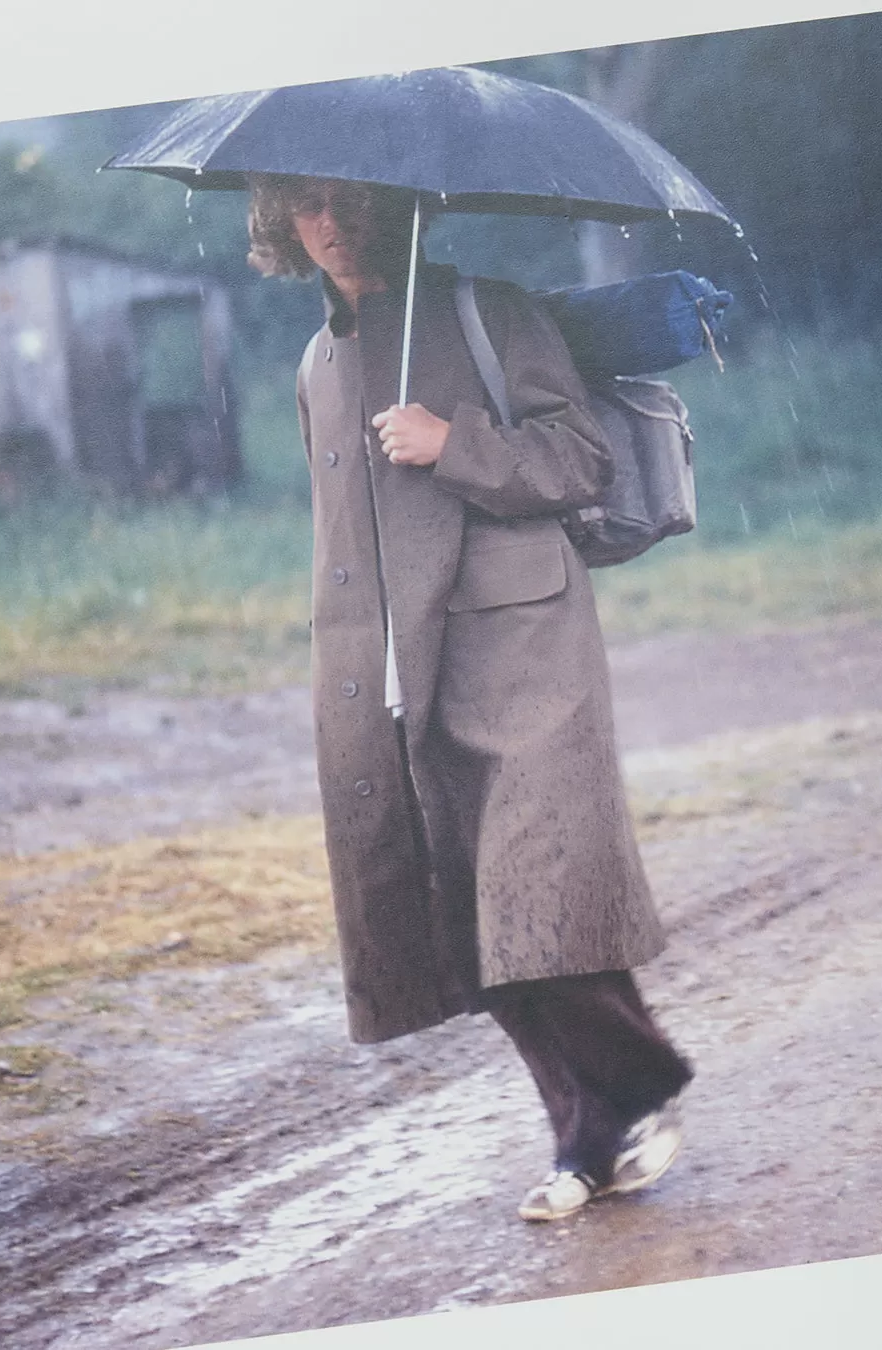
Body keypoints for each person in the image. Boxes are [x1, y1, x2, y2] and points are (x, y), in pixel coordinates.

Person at [246, 174, 694, 1221]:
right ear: (279, 222)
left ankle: (631, 1093)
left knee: (533, 893)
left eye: (352, 200)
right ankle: (584, 1135)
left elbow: (580, 458)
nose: (333, 223)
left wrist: (456, 446)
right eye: (307, 205)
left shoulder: (487, 311)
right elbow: (342, 543)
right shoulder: (315, 362)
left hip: (524, 647)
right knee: (462, 915)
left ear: (400, 207)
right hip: (399, 667)